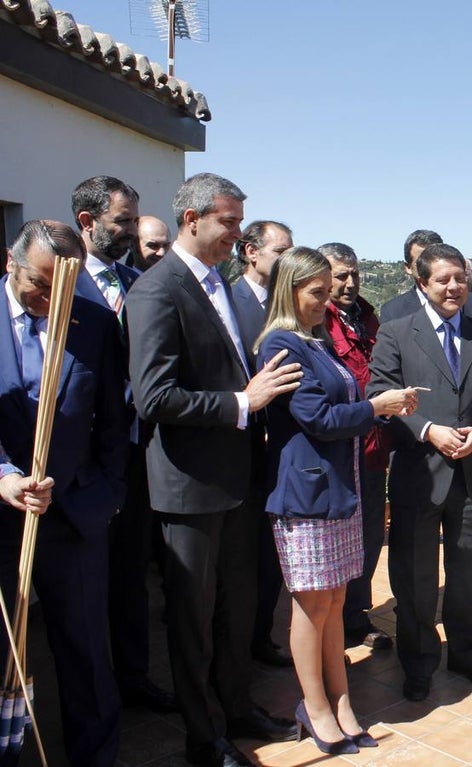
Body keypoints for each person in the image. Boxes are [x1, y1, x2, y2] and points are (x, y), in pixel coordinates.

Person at [127, 173, 304, 767]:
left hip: (237, 481)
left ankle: (237, 708)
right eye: (228, 222)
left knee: (236, 609)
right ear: (192, 219)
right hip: (189, 488)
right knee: (193, 621)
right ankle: (204, 738)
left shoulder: (218, 286)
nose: (236, 233)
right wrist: (241, 404)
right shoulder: (158, 290)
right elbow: (153, 397)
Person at [257, 247, 419, 754]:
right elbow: (318, 418)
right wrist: (376, 407)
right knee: (310, 605)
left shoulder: (317, 339)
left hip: (338, 487)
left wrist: (381, 407)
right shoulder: (281, 344)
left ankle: (341, 699)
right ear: (291, 290)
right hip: (306, 494)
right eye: (317, 293)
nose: (327, 301)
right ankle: (316, 705)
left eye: (329, 292)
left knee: (331, 601)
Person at [0, 220, 129, 767]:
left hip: (74, 512)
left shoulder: (94, 322)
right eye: (37, 284)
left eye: (61, 290)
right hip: (3, 514)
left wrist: (102, 496)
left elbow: (114, 420)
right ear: (11, 262)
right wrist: (4, 475)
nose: (46, 300)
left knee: (85, 652)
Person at [367, 242, 472, 702]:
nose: (454, 287)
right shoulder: (395, 333)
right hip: (419, 474)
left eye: (460, 278)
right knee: (415, 578)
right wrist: (428, 429)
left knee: (467, 574)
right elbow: (380, 392)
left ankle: (469, 655)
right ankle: (419, 662)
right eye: (443, 280)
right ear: (421, 282)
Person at [72, 175, 178, 714]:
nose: (133, 231)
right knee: (88, 583)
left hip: (137, 454)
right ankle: (93, 689)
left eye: (136, 220)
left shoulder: (141, 284)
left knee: (132, 572)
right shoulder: (63, 286)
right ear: (87, 223)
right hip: (81, 463)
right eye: (123, 222)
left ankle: (134, 676)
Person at [318, 242, 394, 653]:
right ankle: (332, 623)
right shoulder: (316, 320)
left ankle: (356, 615)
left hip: (372, 447)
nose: (349, 283)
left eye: (354, 275)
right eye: (340, 276)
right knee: (338, 543)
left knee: (369, 537)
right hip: (337, 449)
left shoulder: (366, 315)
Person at [232, 219, 296, 669]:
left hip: (280, 448)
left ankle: (259, 637)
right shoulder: (228, 302)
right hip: (239, 446)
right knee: (242, 561)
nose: (288, 259)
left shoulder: (285, 307)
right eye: (281, 251)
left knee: (269, 558)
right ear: (252, 252)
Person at [378, 229, 472, 324]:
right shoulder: (393, 312)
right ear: (408, 267)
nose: (430, 267)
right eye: (421, 262)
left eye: (435, 260)